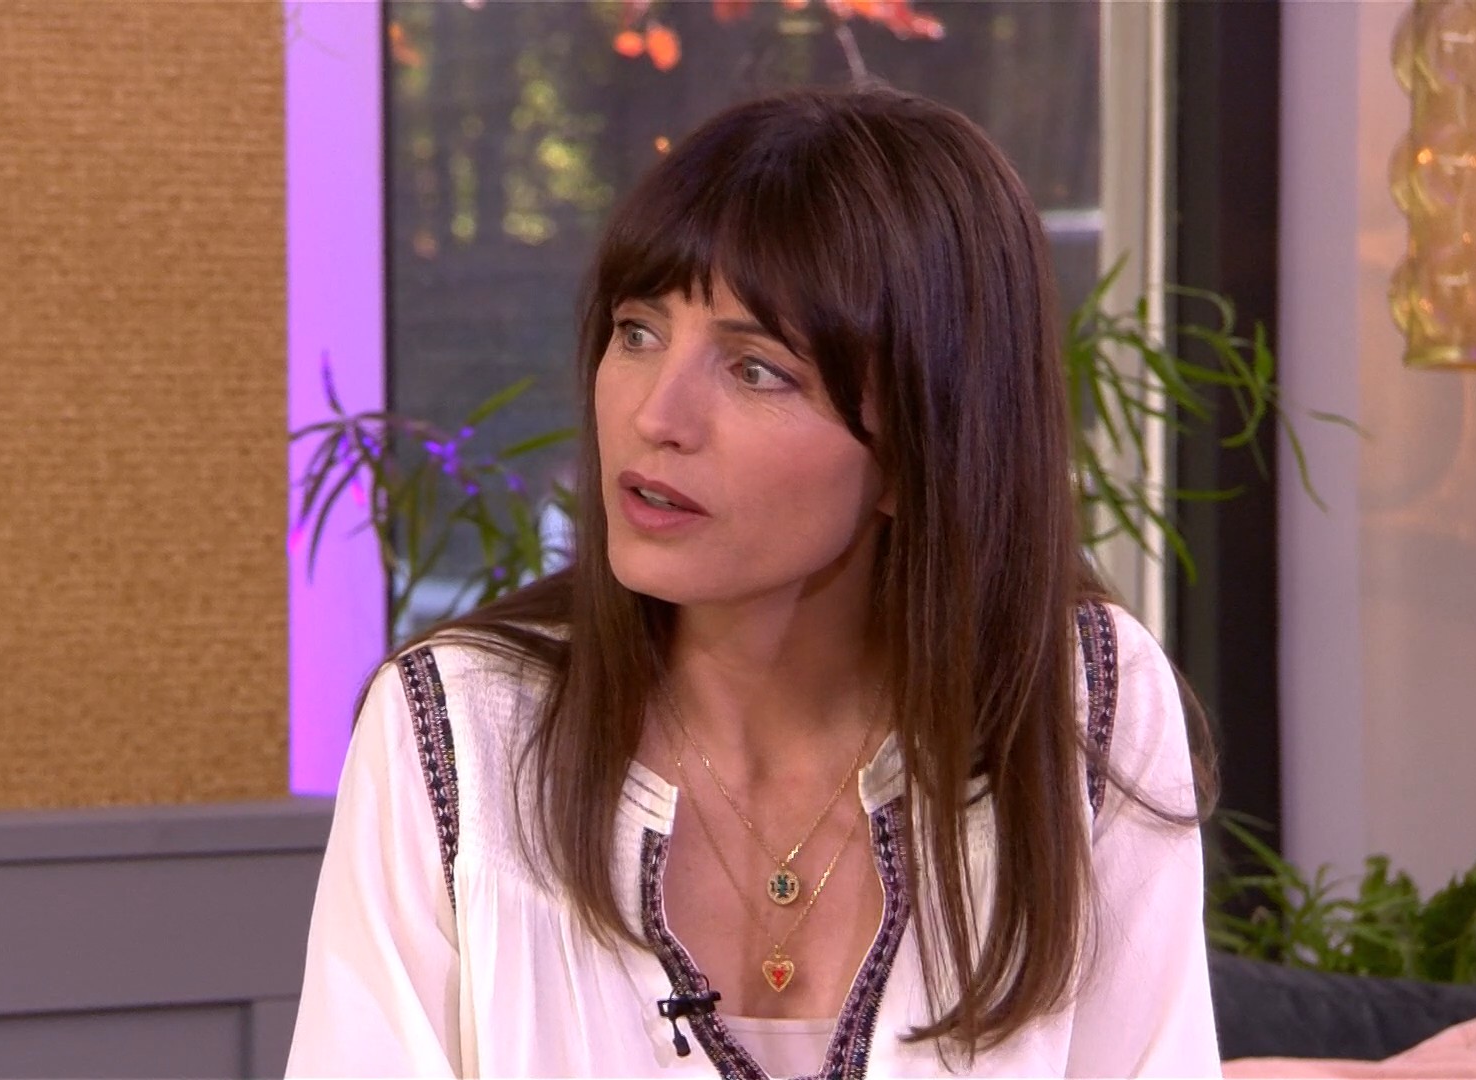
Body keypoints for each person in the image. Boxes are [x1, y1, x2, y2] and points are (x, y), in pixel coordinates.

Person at [286, 84, 1221, 1078]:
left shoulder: (1080, 700)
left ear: (920, 445)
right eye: (638, 332)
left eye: (755, 370)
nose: (656, 415)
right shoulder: (461, 727)